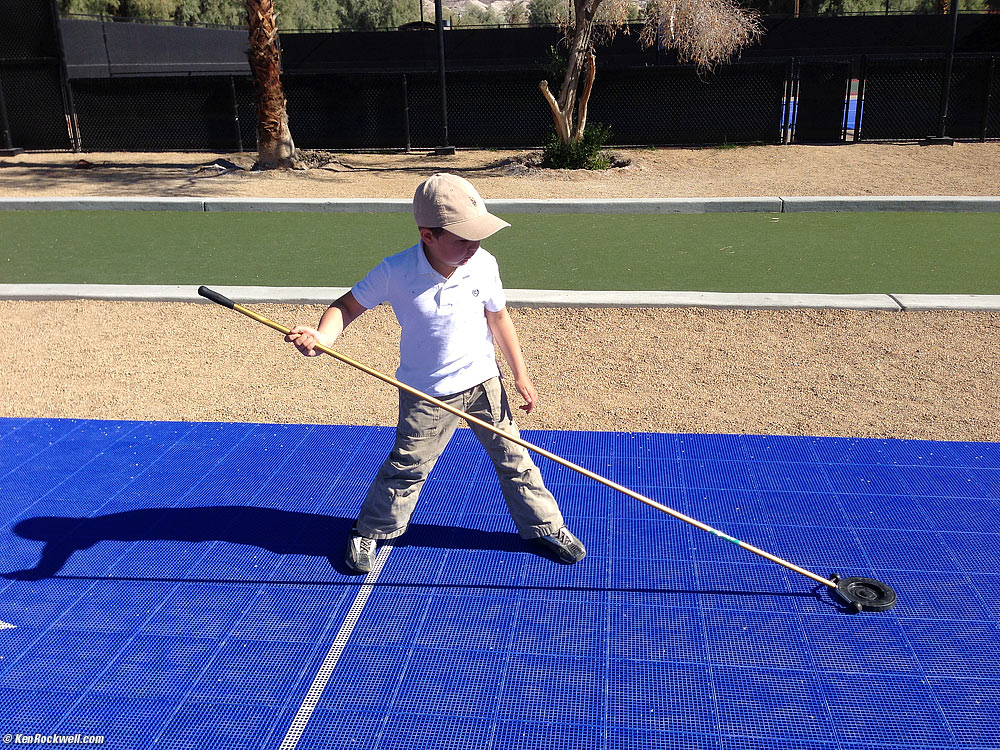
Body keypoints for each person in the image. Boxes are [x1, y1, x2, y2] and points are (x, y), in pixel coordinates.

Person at [285, 172, 585, 573]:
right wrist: (323, 337)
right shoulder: (396, 271)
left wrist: (520, 374)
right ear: (427, 236)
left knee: (516, 459)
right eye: (463, 239)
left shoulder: (484, 264)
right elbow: (347, 306)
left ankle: (545, 526)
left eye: (479, 237)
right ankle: (370, 530)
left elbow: (498, 318)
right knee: (408, 467)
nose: (474, 246)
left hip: (484, 384)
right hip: (426, 394)